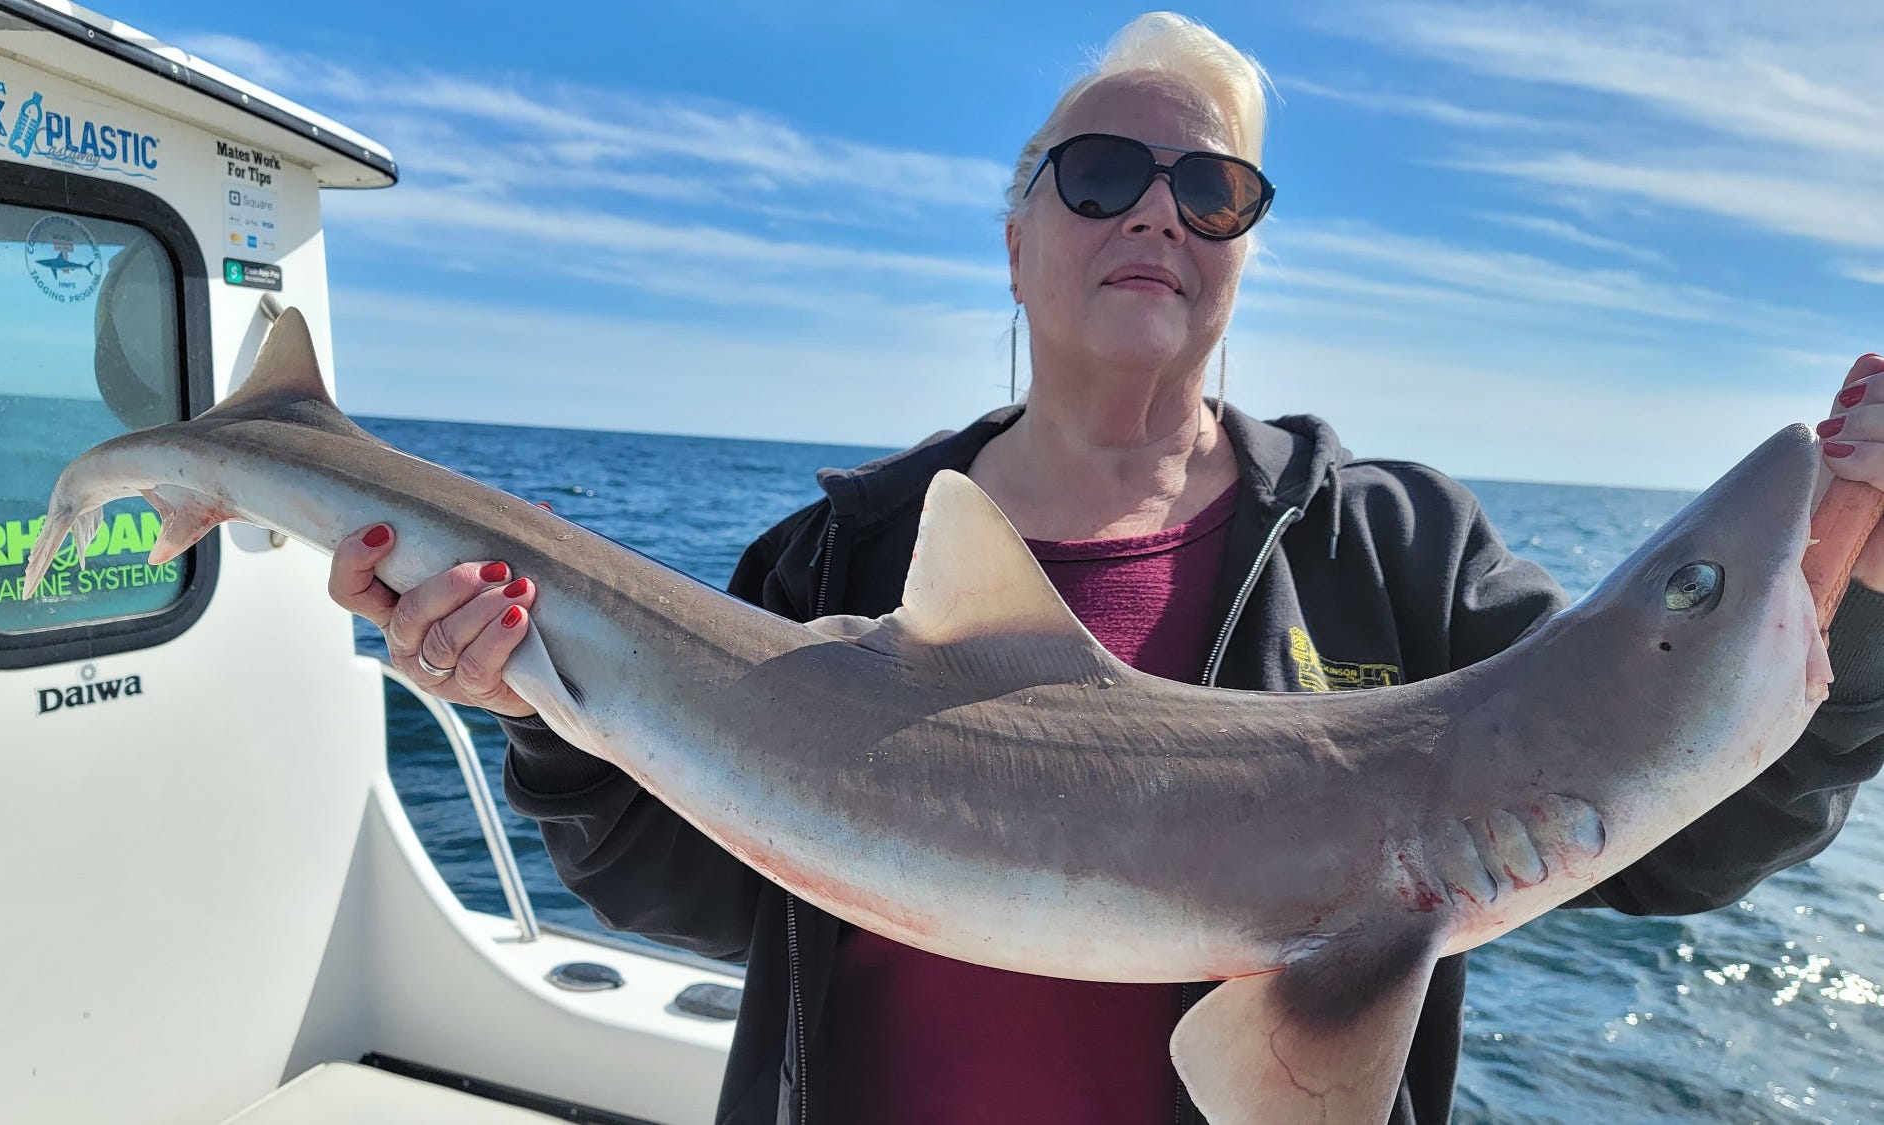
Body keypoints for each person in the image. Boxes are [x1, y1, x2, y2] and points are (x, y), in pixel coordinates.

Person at [327, 13, 1884, 1124]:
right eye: (1098, 175)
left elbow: (1683, 827)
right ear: (1013, 238)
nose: (1156, 210)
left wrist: (1858, 587)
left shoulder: (1391, 549)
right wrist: (535, 704)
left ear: (1244, 254)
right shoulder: (838, 552)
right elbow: (707, 892)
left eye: (1211, 192)